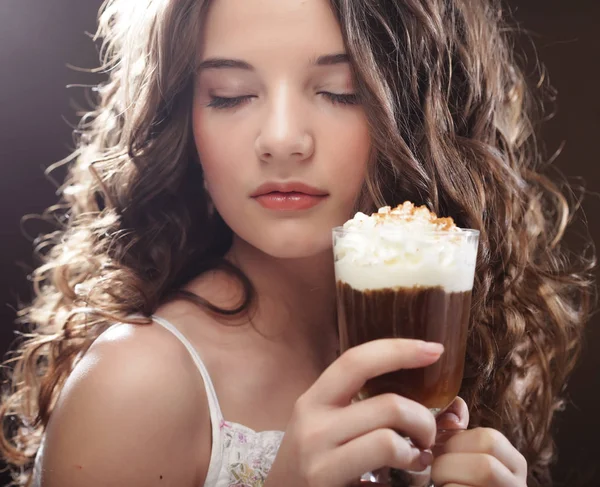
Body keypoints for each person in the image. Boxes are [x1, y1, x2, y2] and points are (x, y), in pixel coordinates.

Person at [0, 0, 595, 486]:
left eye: (339, 91)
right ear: (186, 121)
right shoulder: (135, 385)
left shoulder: (467, 356)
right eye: (231, 94)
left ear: (419, 115)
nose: (282, 140)